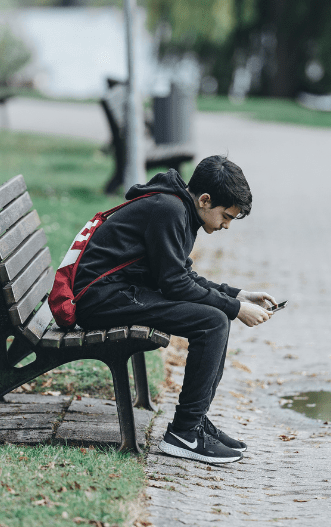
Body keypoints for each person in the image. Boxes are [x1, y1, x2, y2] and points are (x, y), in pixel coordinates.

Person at [73, 155, 275, 464]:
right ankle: (184, 433)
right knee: (213, 322)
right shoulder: (169, 210)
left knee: (216, 318)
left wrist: (239, 295)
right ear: (205, 200)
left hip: (120, 292)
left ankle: (193, 422)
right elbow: (176, 284)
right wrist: (235, 308)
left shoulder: (179, 208)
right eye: (226, 216)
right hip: (101, 298)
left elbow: (181, 275)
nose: (227, 225)